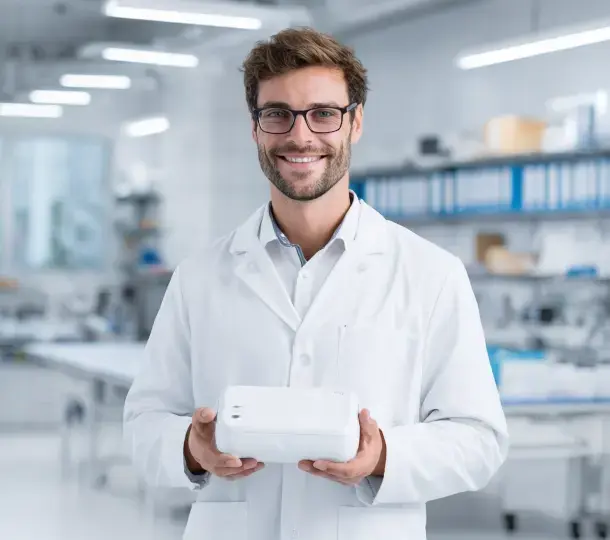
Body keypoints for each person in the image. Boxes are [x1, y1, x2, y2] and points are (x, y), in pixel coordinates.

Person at [123, 27, 509, 540]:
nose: (300, 136)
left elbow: (479, 439)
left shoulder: (430, 273)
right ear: (255, 128)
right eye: (277, 113)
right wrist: (193, 449)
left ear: (356, 123)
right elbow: (145, 422)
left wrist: (383, 456)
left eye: (324, 113)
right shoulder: (200, 276)